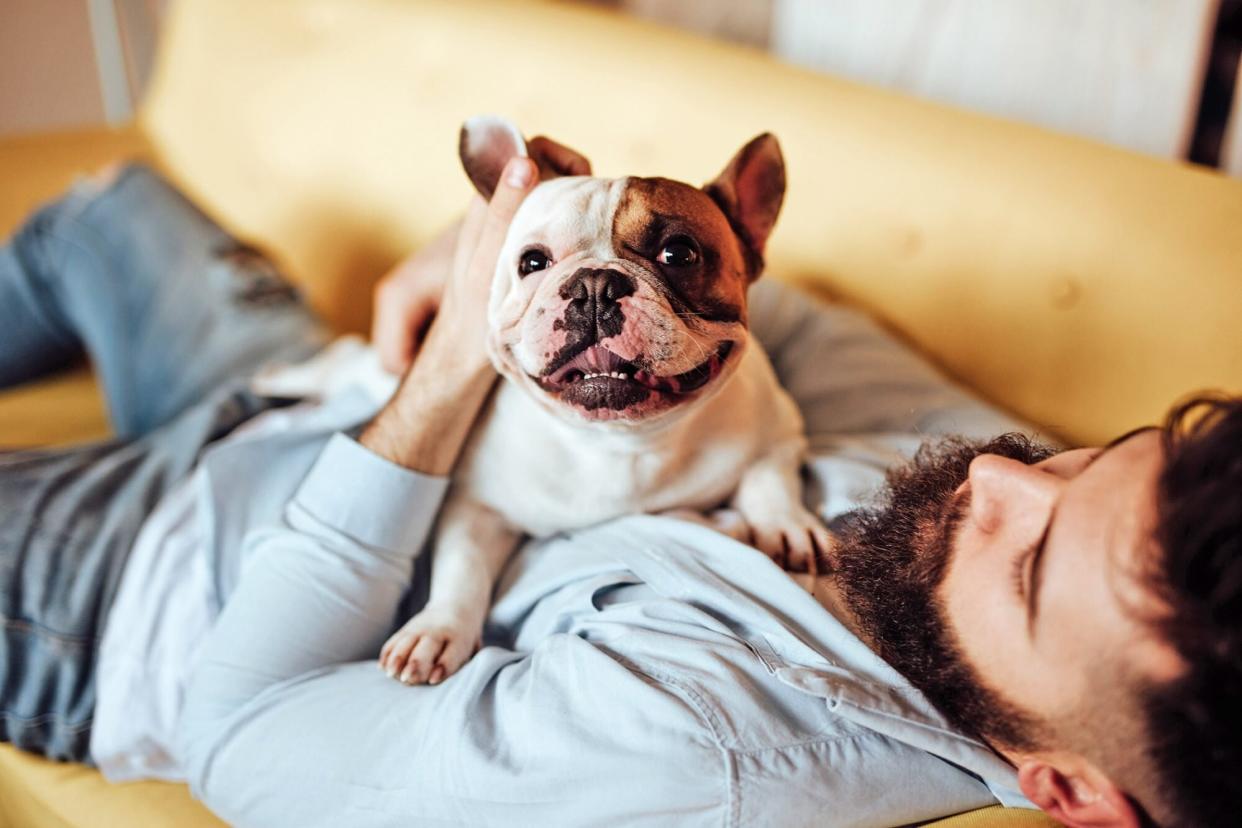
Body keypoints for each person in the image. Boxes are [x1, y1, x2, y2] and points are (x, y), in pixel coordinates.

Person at [0, 156, 1236, 828]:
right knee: (105, 209)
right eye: (1077, 457)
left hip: (137, 585)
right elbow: (756, 295)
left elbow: (236, 731)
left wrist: (450, 368)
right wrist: (488, 259)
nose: (1000, 477)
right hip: (303, 389)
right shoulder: (988, 484)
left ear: (1065, 791)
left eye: (1024, 565)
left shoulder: (706, 739)